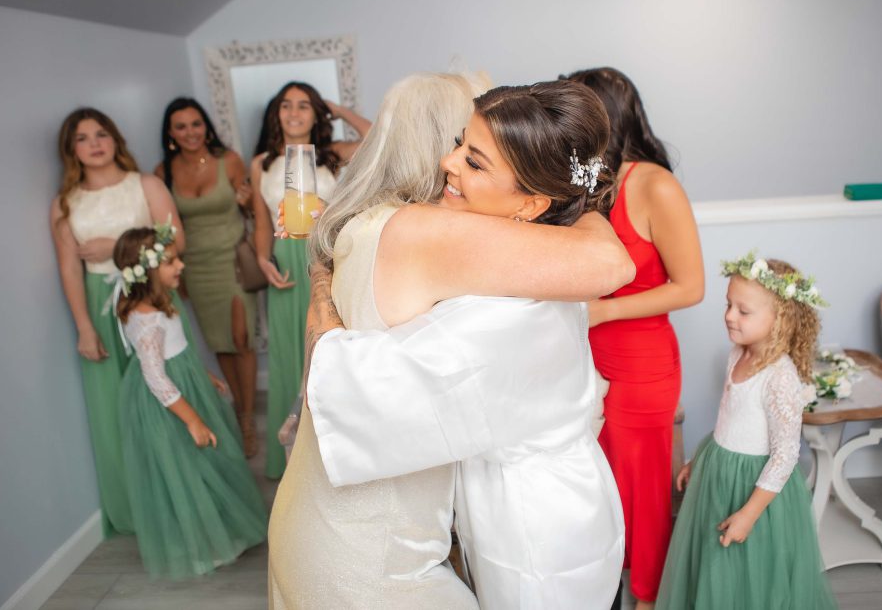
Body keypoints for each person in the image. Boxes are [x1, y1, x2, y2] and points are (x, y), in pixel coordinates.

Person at [267, 75, 634, 609]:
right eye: (459, 142)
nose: (449, 162)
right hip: (510, 501)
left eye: (476, 161)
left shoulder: (515, 304)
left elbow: (363, 390)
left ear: (531, 206)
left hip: (538, 522)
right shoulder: (535, 252)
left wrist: (322, 284)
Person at [564, 67, 704, 608]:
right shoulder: (583, 184)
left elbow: (690, 287)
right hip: (583, 361)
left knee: (642, 496)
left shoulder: (654, 185)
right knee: (598, 491)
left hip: (641, 365)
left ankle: (648, 597)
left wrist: (605, 312)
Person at [656, 253, 836, 610]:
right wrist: (700, 458)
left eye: (743, 310)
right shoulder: (737, 353)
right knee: (714, 558)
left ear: (779, 319)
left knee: (748, 568)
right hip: (718, 472)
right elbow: (729, 418)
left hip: (754, 487)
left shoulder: (779, 377)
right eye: (728, 305)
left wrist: (749, 514)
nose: (728, 316)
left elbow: (786, 454)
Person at [50, 107, 185, 536]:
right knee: (117, 408)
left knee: (165, 388)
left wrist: (118, 247)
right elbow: (69, 269)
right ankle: (137, 504)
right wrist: (84, 327)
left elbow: (175, 238)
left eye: (102, 133)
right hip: (100, 304)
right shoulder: (65, 203)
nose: (95, 143)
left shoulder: (145, 184)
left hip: (148, 296)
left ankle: (181, 489)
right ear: (72, 150)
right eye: (83, 138)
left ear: (115, 140)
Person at [111, 224, 267, 579]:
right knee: (187, 471)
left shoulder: (164, 301)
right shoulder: (146, 320)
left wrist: (202, 375)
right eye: (170, 261)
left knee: (209, 463)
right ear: (147, 272)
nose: (180, 265)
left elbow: (176, 352)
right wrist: (192, 420)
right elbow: (155, 376)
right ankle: (200, 545)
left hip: (186, 383)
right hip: (170, 406)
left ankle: (220, 529)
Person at [250, 81, 370, 479]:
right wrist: (262, 259)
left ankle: (335, 453)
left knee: (327, 348)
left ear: (317, 114)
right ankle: (294, 457)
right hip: (284, 261)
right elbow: (263, 221)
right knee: (290, 352)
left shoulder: (333, 154)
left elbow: (377, 138)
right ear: (276, 113)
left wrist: (337, 107)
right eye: (286, 105)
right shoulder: (262, 164)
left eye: (305, 105)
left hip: (329, 258)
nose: (294, 112)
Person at [156, 97, 259, 457]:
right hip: (193, 266)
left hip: (231, 259)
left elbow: (251, 207)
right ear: (170, 133)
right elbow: (165, 226)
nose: (190, 133)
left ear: (206, 126)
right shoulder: (162, 172)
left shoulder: (227, 160)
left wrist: (246, 200)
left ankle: (247, 420)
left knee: (241, 337)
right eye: (181, 126)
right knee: (220, 343)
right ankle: (235, 407)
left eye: (196, 124)